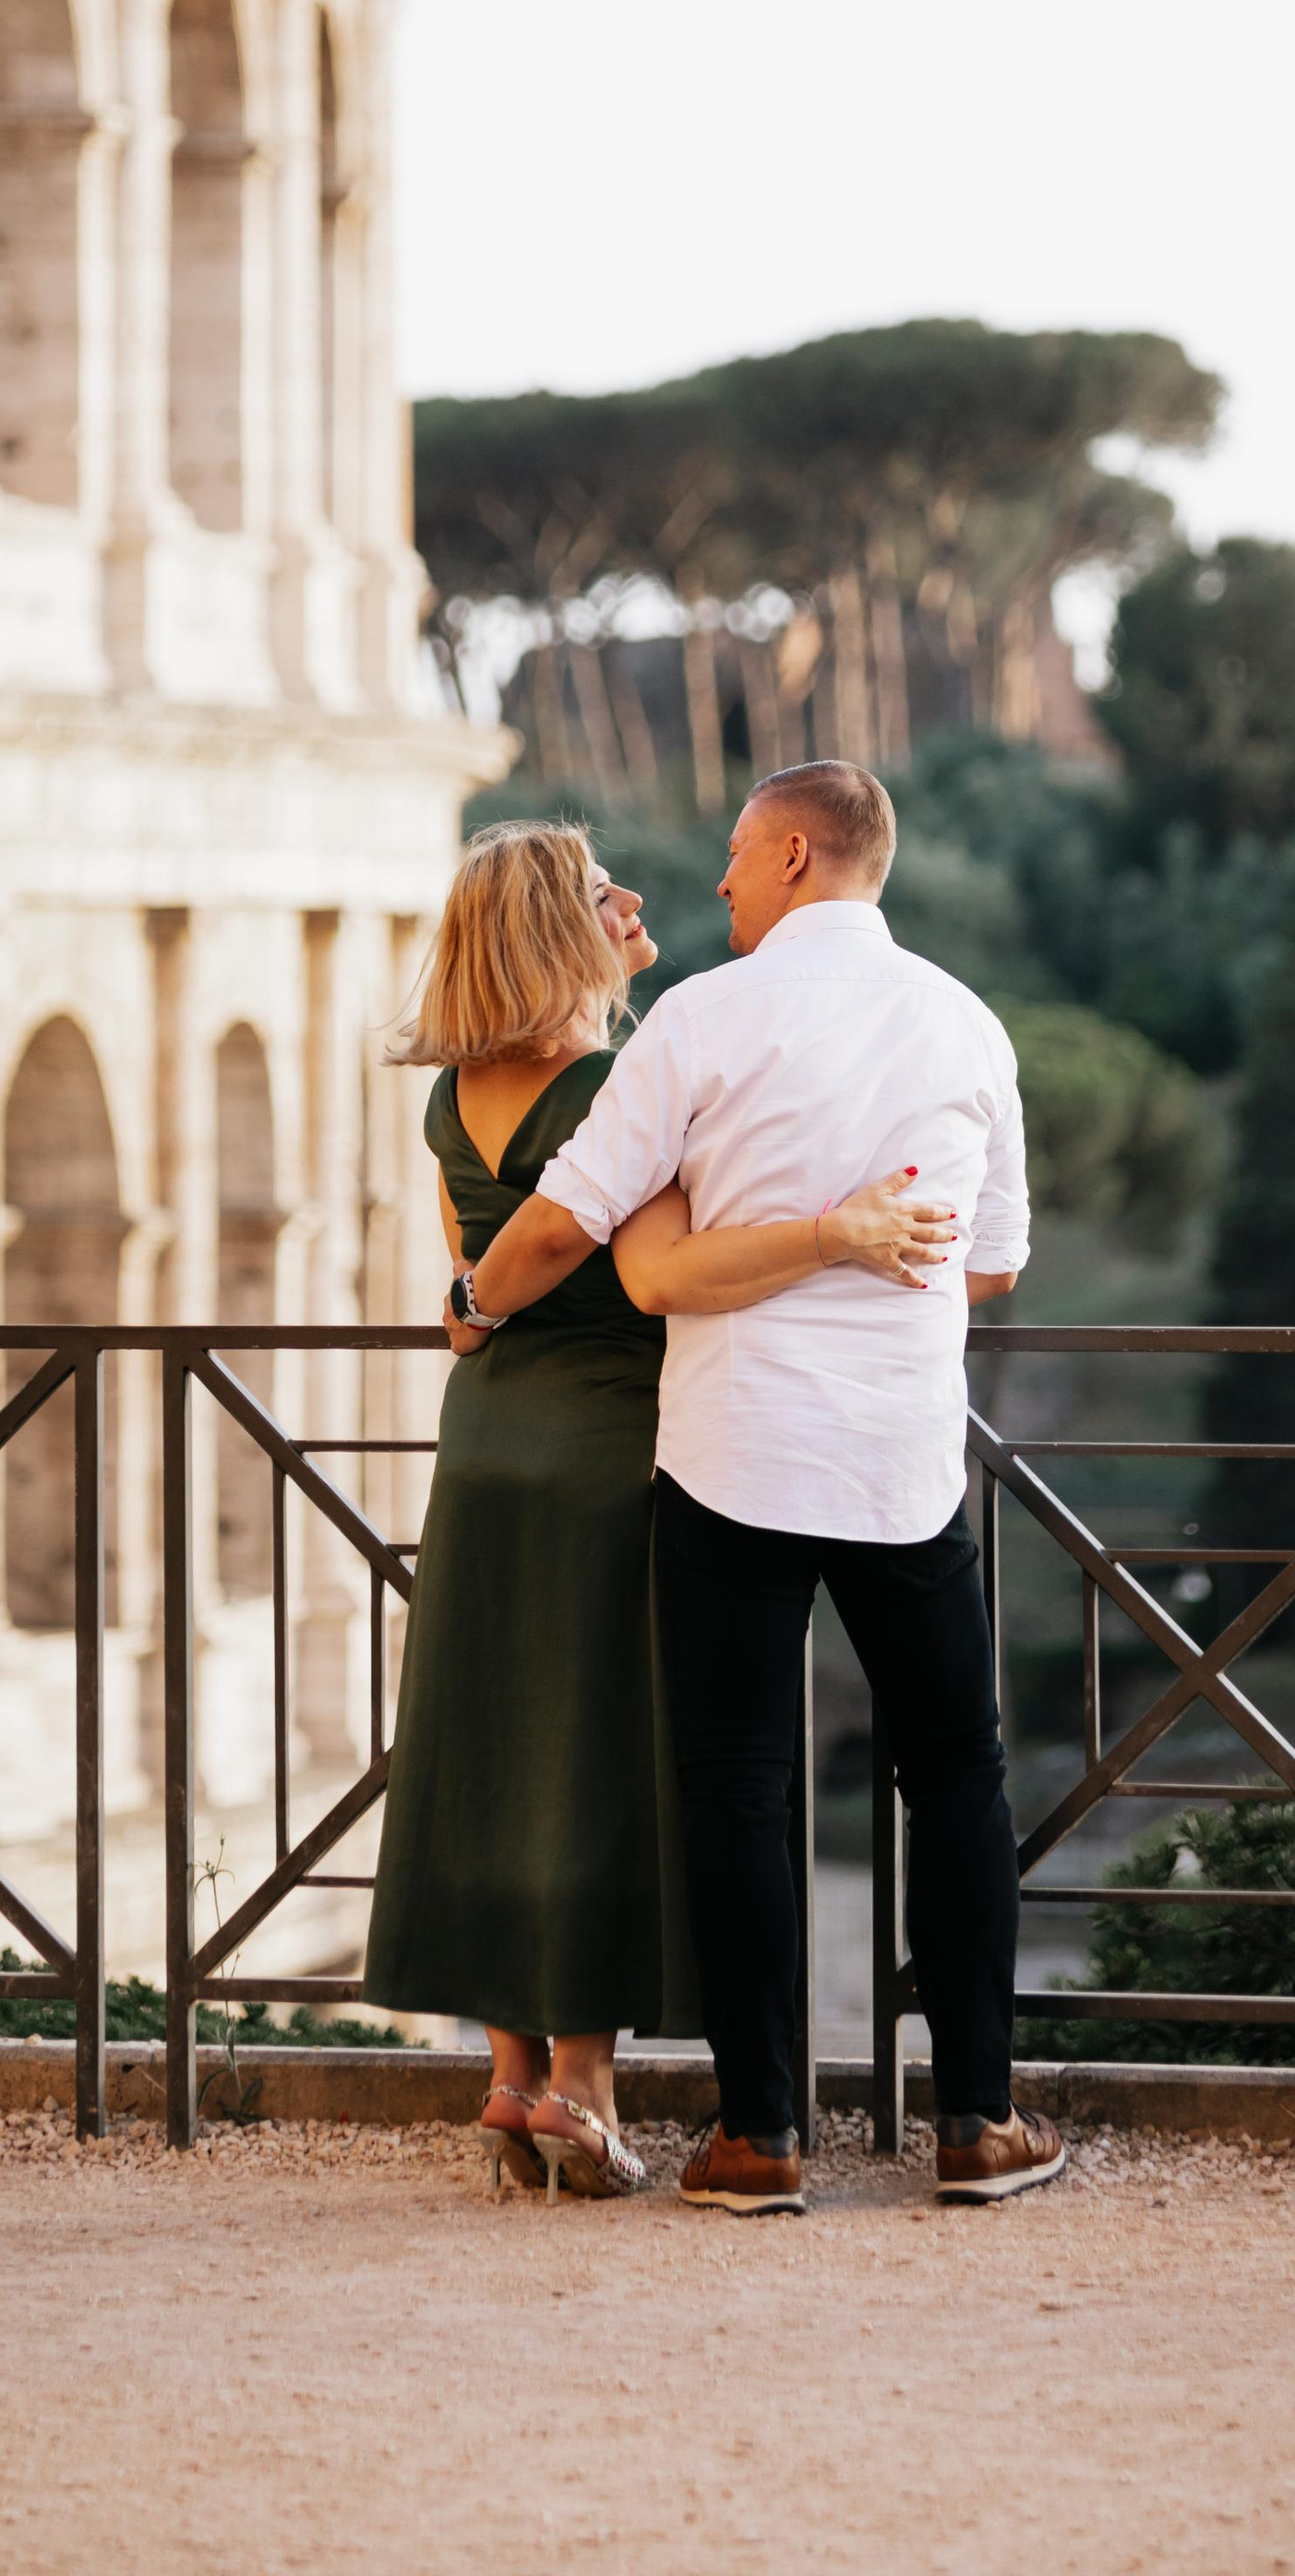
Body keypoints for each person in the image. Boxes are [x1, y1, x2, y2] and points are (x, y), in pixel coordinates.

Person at [462, 760, 1065, 2213]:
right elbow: (993, 1262)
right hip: (903, 1461)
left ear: (795, 855)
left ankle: (759, 2139)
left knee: (737, 1785)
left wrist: (475, 1302)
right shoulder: (965, 1022)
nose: (719, 881)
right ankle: (978, 2123)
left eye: (738, 856)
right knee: (959, 1775)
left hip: (733, 1453)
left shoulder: (700, 1021)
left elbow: (567, 1221)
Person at [364, 817, 953, 2200]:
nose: (632, 897)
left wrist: (470, 1303)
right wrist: (832, 1236)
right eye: (596, 888)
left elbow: (471, 1290)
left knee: (499, 1742)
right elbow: (645, 1271)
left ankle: (509, 2076)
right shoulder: (615, 1085)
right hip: (612, 1449)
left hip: (489, 1443)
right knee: (600, 1759)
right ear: (556, 933)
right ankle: (582, 2084)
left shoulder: (449, 1099)